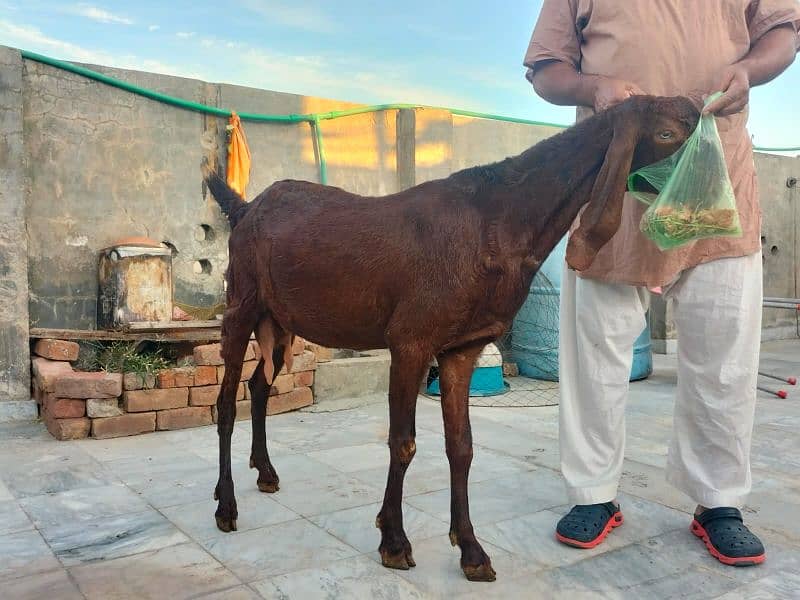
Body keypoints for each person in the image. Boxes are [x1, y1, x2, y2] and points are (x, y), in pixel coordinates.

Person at [524, 0, 800, 566]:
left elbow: (783, 34)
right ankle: (593, 495)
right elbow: (548, 69)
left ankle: (718, 501)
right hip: (613, 189)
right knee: (593, 355)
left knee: (724, 357)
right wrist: (593, 88)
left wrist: (747, 72)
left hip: (715, 182)